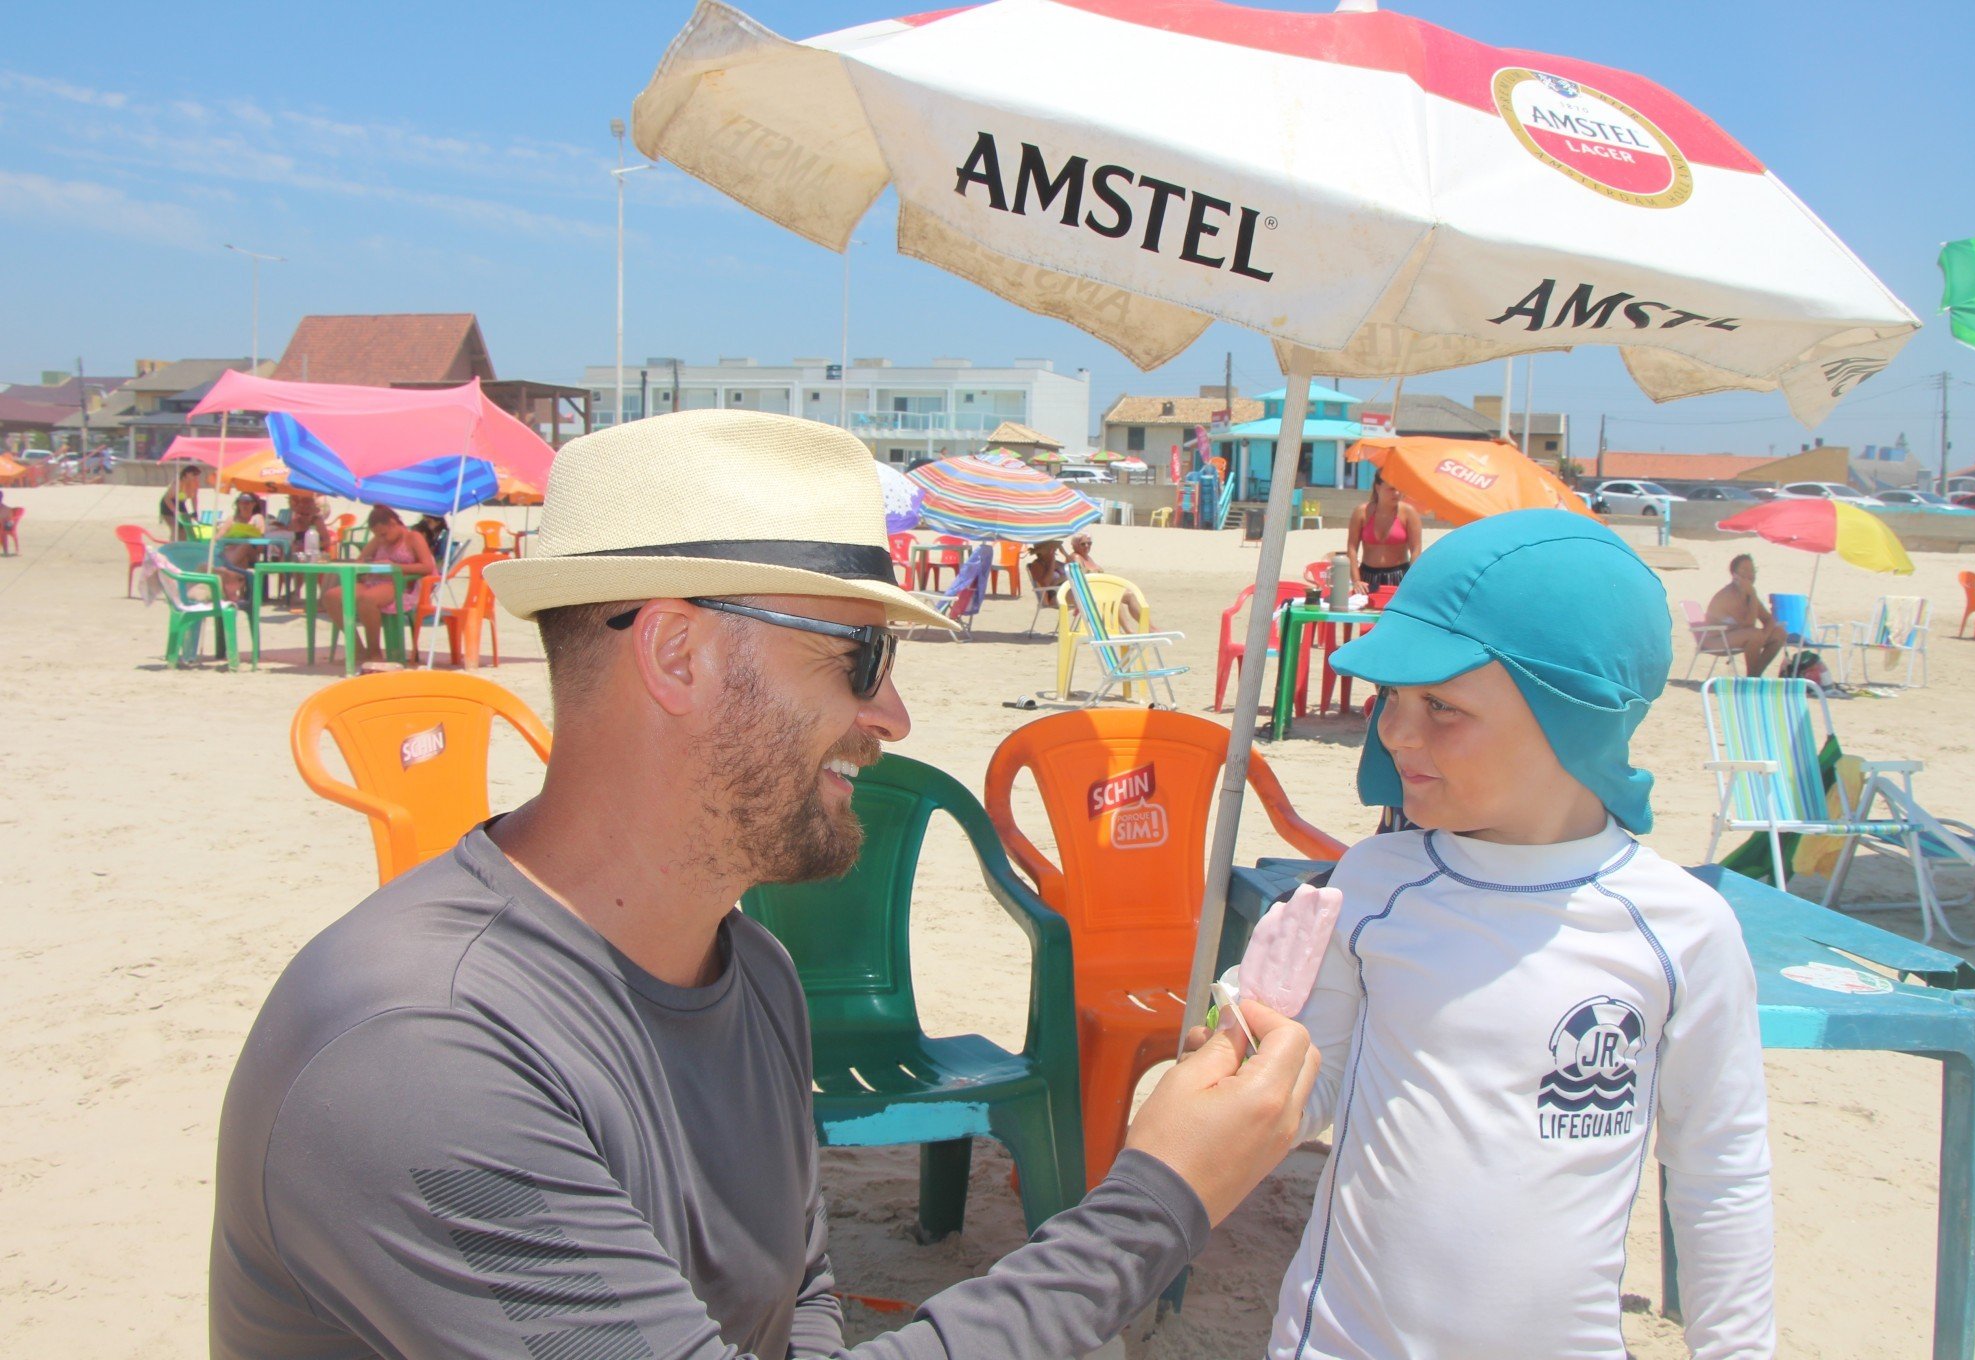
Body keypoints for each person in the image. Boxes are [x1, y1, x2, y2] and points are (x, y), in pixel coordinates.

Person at [211, 410, 1320, 1360]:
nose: (893, 717)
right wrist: (1156, 1198)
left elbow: (799, 1313)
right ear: (678, 655)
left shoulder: (751, 972)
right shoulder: (418, 1048)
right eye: (863, 657)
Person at [1254, 510, 1773, 1359]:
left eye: (1443, 706)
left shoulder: (1680, 931)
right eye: (1390, 698)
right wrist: (1251, 1037)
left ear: (1576, 716)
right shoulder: (1377, 884)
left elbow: (1720, 1176)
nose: (1396, 732)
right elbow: (1310, 1095)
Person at [318, 503, 432, 665]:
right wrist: (367, 566)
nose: (381, 539)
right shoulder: (379, 540)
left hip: (399, 583)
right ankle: (357, 648)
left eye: (384, 534)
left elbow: (427, 567)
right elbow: (360, 561)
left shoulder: (413, 538)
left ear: (394, 523)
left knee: (367, 600)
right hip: (374, 581)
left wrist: (394, 567)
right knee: (332, 596)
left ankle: (374, 651)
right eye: (377, 535)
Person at [1706, 552, 1788, 677]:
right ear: (1734, 575)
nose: (1750, 574)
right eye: (1745, 570)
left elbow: (1769, 619)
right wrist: (1753, 594)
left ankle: (1754, 676)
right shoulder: (1729, 594)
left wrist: (1765, 636)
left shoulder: (1747, 593)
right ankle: (1753, 677)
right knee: (1754, 635)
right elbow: (1748, 625)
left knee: (1779, 633)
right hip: (1715, 639)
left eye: (1752, 570)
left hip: (1736, 635)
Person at [1343, 477, 1422, 594]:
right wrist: (1356, 580)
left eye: (1400, 489)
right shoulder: (1362, 512)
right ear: (1378, 487)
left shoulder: (1408, 513)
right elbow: (1352, 548)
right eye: (1391, 489)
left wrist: (1410, 579)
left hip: (1399, 575)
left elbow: (1416, 549)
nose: (1397, 493)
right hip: (1367, 576)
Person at [160, 465, 202, 540]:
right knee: (175, 528)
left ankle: (182, 546)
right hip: (168, 505)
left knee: (186, 528)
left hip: (180, 504)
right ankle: (172, 547)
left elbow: (194, 498)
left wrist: (195, 512)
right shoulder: (178, 483)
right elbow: (167, 498)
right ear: (187, 474)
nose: (196, 477)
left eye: (197, 475)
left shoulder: (195, 483)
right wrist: (175, 511)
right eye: (194, 475)